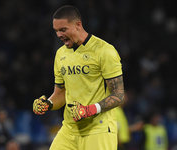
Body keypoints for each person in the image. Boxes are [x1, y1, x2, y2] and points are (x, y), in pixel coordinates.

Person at [33, 5, 124, 150]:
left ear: (78, 25)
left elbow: (118, 95)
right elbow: (60, 94)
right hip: (69, 130)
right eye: (56, 31)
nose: (59, 35)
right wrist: (48, 104)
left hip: (98, 129)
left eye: (63, 30)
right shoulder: (60, 54)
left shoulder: (104, 51)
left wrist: (89, 110)